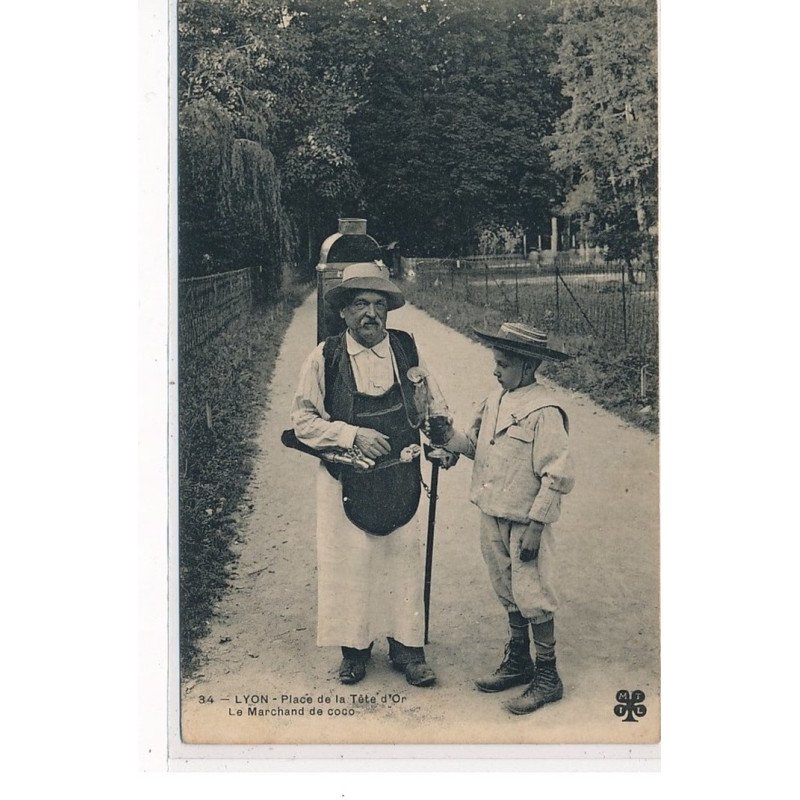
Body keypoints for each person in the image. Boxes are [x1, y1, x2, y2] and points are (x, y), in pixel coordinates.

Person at [291, 261, 452, 688]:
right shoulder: (323, 357)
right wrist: (351, 434)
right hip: (346, 476)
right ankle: (354, 649)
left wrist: (438, 437)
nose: (370, 314)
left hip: (400, 473)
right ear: (342, 311)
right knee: (350, 561)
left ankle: (408, 648)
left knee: (402, 559)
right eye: (360, 303)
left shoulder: (405, 349)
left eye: (378, 304)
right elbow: (303, 422)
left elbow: (433, 405)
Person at [439, 322, 575, 715]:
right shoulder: (494, 400)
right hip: (492, 513)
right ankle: (519, 661)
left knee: (532, 593)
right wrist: (447, 438)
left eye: (502, 364)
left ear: (528, 367)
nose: (494, 370)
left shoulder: (545, 411)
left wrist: (537, 526)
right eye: (494, 362)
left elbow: (556, 473)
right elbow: (474, 447)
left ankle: (548, 677)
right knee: (506, 588)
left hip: (524, 521)